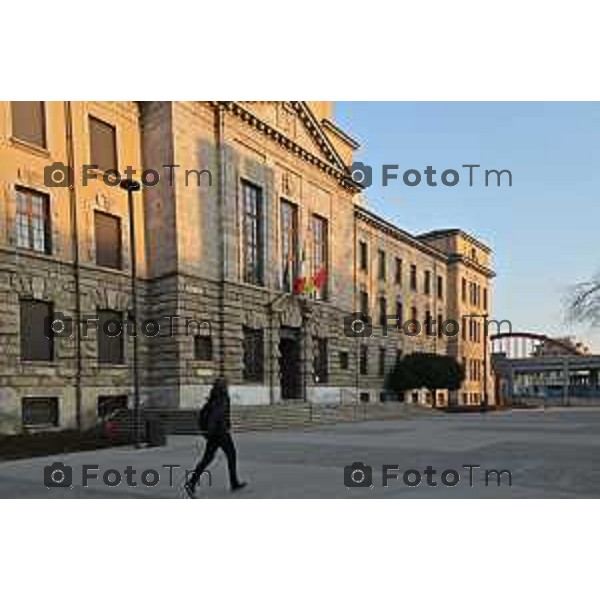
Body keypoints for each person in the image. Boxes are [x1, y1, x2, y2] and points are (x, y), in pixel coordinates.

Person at [185, 378, 247, 497]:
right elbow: (217, 414)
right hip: (221, 433)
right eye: (227, 385)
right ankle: (234, 482)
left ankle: (191, 483)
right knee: (231, 455)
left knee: (207, 459)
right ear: (224, 387)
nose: (228, 386)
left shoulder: (214, 396)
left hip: (214, 433)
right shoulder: (223, 397)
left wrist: (209, 433)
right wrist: (218, 428)